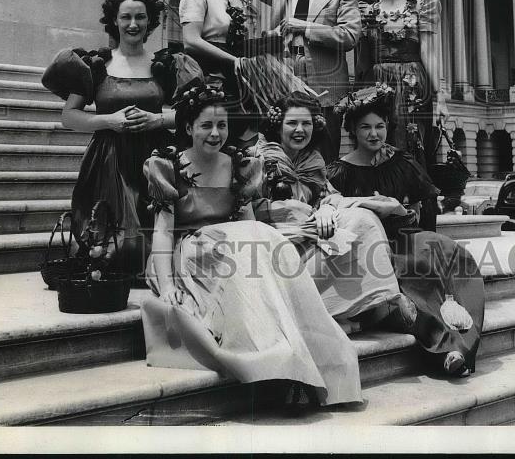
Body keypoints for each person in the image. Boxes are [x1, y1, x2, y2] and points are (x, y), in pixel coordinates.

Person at [141, 80, 362, 408]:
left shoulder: (239, 163)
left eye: (221, 125)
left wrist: (266, 251)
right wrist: (168, 284)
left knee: (266, 242)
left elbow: (248, 223)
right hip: (190, 250)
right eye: (206, 126)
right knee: (248, 249)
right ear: (188, 126)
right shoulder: (169, 165)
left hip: (229, 245)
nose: (215, 134)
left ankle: (295, 358)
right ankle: (271, 362)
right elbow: (162, 231)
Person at [327, 86, 485, 378]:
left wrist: (414, 220)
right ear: (352, 131)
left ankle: (465, 344)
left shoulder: (402, 162)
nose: (374, 134)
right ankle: (446, 349)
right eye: (365, 128)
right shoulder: (339, 172)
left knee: (455, 257)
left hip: (409, 235)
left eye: (380, 127)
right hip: (373, 248)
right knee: (414, 276)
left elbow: (424, 204)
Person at [41, 0, 200, 274]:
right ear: (114, 20)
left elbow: (195, 116)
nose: (133, 24)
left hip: (154, 161)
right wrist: (109, 121)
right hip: (109, 161)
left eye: (140, 17)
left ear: (150, 21)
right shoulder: (96, 65)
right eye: (125, 17)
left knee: (152, 242)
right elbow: (69, 117)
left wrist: (158, 120)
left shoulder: (165, 65)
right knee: (117, 245)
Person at [252, 93, 416, 332]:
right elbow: (249, 207)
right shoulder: (261, 159)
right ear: (278, 125)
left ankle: (377, 300)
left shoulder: (313, 160)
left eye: (306, 123)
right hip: (279, 245)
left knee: (362, 219)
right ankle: (345, 311)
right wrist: (297, 214)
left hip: (310, 238)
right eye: (292, 123)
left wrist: (326, 208)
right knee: (349, 228)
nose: (300, 130)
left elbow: (329, 196)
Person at [178, 0, 317, 149]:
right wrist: (236, 61)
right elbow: (190, 40)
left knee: (245, 140)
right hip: (212, 74)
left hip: (240, 74)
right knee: (216, 136)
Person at [355, 0, 445, 229]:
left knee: (411, 151)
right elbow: (362, 60)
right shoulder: (367, 11)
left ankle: (416, 225)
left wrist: (440, 95)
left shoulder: (423, 6)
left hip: (412, 87)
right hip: (376, 86)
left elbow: (430, 51)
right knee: (374, 151)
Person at [267, 0, 362, 162]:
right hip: (285, 83)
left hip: (325, 89)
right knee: (284, 156)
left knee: (324, 157)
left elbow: (349, 36)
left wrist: (304, 27)